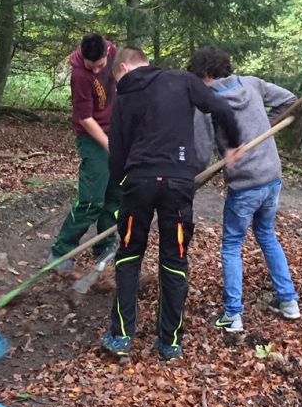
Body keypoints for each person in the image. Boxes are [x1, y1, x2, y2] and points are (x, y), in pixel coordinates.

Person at [102, 47, 243, 361]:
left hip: (138, 184)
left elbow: (117, 151)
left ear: (124, 67)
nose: (119, 83)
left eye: (117, 77)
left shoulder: (124, 96)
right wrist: (232, 146)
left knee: (128, 257)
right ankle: (170, 343)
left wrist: (120, 187)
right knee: (174, 259)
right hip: (178, 184)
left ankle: (121, 336)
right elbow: (223, 110)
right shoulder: (182, 80)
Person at [189, 47, 301, 332]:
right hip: (271, 176)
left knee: (232, 245)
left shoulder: (207, 102)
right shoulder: (253, 84)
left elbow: (202, 153)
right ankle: (289, 302)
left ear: (206, 75)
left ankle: (233, 314)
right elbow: (288, 99)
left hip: (244, 183)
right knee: (266, 235)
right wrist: (261, 130)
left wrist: (192, 179)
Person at [49, 33, 121, 276]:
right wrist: (109, 145)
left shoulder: (113, 54)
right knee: (91, 199)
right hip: (92, 139)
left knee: (115, 195)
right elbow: (85, 118)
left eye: (101, 64)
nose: (98, 69)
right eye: (94, 66)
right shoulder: (79, 75)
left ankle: (104, 248)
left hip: (117, 131)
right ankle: (61, 252)